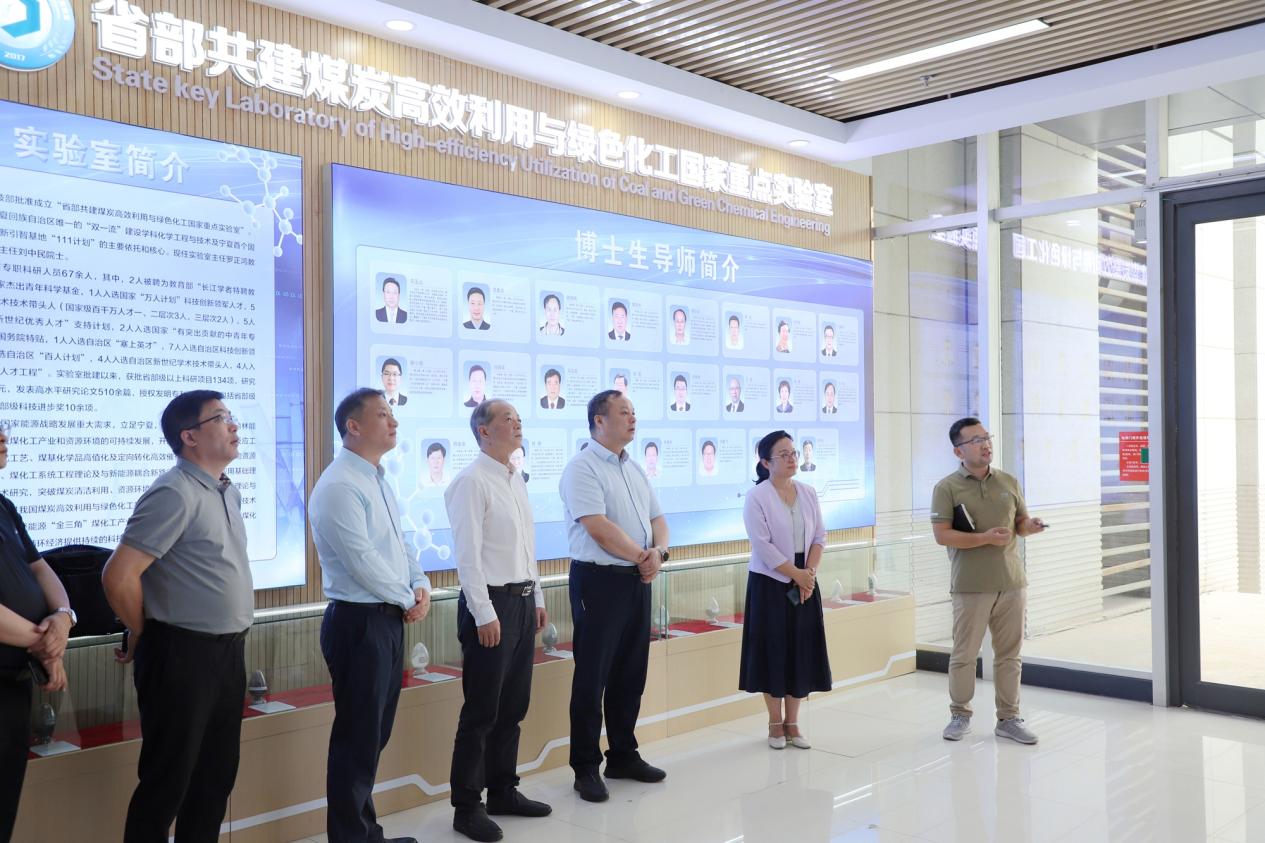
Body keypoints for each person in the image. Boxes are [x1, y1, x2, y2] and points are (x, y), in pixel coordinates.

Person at [102, 390, 253, 843]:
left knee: (214, 779)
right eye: (221, 418)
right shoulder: (174, 492)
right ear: (189, 436)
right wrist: (144, 630)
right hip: (181, 654)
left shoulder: (227, 490)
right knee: (167, 783)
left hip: (227, 654)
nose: (233, 425)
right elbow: (118, 576)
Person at [309, 388, 432, 843]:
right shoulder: (339, 484)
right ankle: (351, 837)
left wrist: (419, 585)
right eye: (382, 415)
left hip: (385, 617)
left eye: (392, 414)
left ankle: (365, 833)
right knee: (357, 739)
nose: (393, 422)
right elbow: (361, 560)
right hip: (358, 622)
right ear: (353, 426)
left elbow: (398, 546)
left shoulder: (377, 479)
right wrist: (405, 597)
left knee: (372, 736)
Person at [445, 400, 551, 841]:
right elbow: (467, 557)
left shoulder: (514, 478)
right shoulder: (471, 482)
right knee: (482, 711)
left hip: (521, 604)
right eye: (508, 419)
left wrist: (537, 596)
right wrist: (483, 612)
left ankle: (503, 790)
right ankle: (467, 806)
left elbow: (527, 547)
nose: (517, 424)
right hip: (490, 606)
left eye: (519, 419)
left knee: (513, 706)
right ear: (483, 431)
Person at [560, 391, 669, 803]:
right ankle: (585, 766)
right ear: (599, 421)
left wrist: (658, 553)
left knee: (630, 673)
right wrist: (644, 557)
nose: (632, 418)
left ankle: (622, 755)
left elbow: (658, 519)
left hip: (636, 579)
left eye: (633, 412)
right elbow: (598, 527)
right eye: (624, 412)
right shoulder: (582, 467)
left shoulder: (634, 468)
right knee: (593, 676)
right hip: (598, 581)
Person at [932, 417, 1046, 746]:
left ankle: (1009, 719)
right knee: (964, 654)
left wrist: (1029, 527)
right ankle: (960, 714)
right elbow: (942, 535)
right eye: (976, 440)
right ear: (959, 451)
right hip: (970, 584)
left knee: (1009, 655)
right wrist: (984, 538)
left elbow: (1019, 524)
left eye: (986, 437)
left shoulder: (1008, 481)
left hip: (1011, 582)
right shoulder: (947, 488)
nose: (985, 444)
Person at [0, 423, 72, 843]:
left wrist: (62, 616)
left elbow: (39, 568)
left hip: (15, 685)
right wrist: (44, 644)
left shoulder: (4, 505)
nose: (3, 436)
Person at [739, 430, 831, 751]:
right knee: (773, 651)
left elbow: (819, 537)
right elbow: (762, 546)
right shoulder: (757, 496)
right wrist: (797, 576)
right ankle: (774, 722)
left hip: (805, 578)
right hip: (770, 582)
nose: (792, 459)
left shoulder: (808, 492)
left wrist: (809, 575)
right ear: (766, 462)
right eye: (784, 454)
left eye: (793, 453)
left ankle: (793, 721)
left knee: (800, 650)